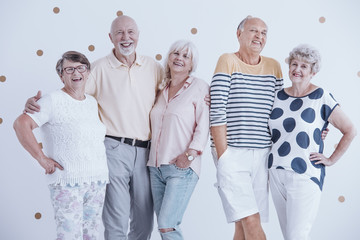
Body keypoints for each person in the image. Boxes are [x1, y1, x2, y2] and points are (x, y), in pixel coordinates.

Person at [24, 15, 164, 240]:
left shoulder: (154, 67)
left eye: (130, 32)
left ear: (138, 35)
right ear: (110, 37)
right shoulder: (97, 68)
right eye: (119, 33)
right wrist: (36, 105)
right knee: (116, 220)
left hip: (147, 151)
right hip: (113, 148)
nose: (125, 37)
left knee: (145, 222)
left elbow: (170, 95)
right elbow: (70, 94)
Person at [14, 51, 109, 240]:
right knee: (69, 235)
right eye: (69, 69)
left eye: (81, 68)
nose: (76, 73)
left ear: (88, 72)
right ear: (61, 75)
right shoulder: (52, 100)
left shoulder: (91, 102)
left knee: (91, 235)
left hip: (97, 180)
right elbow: (21, 124)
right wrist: (42, 159)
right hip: (67, 182)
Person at [268, 44, 356, 240]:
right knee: (288, 236)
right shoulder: (277, 96)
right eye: (294, 64)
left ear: (313, 72)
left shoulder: (320, 96)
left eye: (304, 66)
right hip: (275, 172)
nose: (297, 70)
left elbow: (350, 130)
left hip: (304, 173)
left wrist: (331, 159)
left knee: (296, 236)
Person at [210, 16, 283, 240]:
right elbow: (217, 109)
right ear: (239, 34)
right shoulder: (227, 60)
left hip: (263, 154)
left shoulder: (273, 66)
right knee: (250, 219)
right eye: (253, 30)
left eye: (263, 32)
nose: (259, 36)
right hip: (232, 152)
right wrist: (224, 157)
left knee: (245, 223)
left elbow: (282, 110)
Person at [147, 40, 209, 240]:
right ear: (169, 58)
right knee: (164, 225)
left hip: (181, 167)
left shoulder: (199, 87)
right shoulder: (160, 89)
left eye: (185, 56)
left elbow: (204, 124)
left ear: (192, 64)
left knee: (167, 225)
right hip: (155, 168)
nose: (179, 59)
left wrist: (190, 155)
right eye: (176, 53)